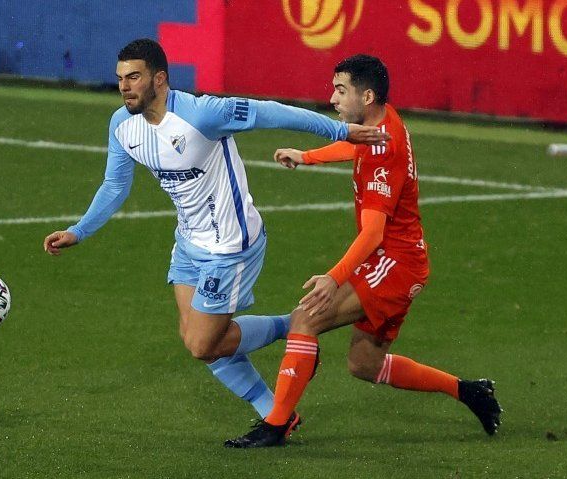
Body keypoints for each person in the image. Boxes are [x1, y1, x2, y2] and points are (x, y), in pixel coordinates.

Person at [43, 39, 389, 422]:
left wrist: (339, 132)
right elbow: (114, 186)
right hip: (188, 243)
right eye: (120, 78)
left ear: (159, 79)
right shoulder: (123, 126)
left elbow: (268, 113)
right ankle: (276, 411)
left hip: (231, 246)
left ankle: (293, 327)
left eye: (134, 77)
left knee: (203, 344)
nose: (125, 86)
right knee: (201, 343)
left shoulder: (202, 114)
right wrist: (80, 230)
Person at [225, 54, 503, 448]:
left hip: (394, 263)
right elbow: (358, 146)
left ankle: (275, 424)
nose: (333, 99)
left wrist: (332, 278)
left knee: (306, 317)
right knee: (364, 364)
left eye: (341, 91)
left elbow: (373, 235)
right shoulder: (384, 122)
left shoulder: (382, 155)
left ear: (367, 95)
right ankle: (470, 391)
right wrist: (308, 156)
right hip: (401, 261)